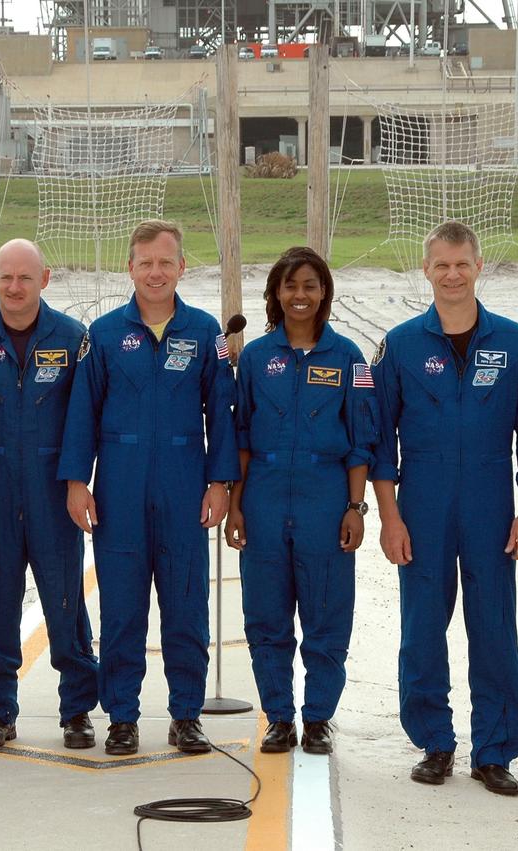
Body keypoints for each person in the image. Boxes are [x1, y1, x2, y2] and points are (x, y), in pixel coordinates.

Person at [370, 221, 518, 795]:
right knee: (423, 624)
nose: (452, 274)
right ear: (426, 270)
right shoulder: (400, 344)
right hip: (421, 500)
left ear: (478, 266)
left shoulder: (513, 341)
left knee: (493, 625)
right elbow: (380, 441)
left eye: (462, 264)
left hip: (491, 500)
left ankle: (494, 750)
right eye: (441, 265)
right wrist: (390, 516)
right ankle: (435, 742)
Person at [58, 219, 240, 756]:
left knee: (187, 605)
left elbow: (223, 417)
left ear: (182, 267)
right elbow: (81, 414)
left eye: (166, 262)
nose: (156, 272)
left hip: (186, 484)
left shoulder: (206, 332)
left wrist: (220, 482)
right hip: (119, 483)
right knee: (122, 608)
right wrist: (76, 481)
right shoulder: (105, 334)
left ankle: (186, 715)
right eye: (146, 263)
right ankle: (122, 716)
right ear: (130, 268)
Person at [224, 247, 377, 755]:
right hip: (265, 497)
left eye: (310, 285)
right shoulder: (256, 359)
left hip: (326, 499)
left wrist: (355, 508)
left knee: (327, 614)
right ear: (275, 295)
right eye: (290, 286)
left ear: (325, 293)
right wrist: (237, 505)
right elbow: (241, 437)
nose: (300, 296)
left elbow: (360, 441)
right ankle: (280, 717)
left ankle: (317, 719)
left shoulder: (349, 358)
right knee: (266, 615)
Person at [0, 239, 100, 750]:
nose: (15, 288)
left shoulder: (74, 339)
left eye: (26, 278)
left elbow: (85, 421)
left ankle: (77, 709)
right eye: (6, 277)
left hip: (51, 491)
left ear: (46, 279)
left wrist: (79, 480)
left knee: (64, 598)